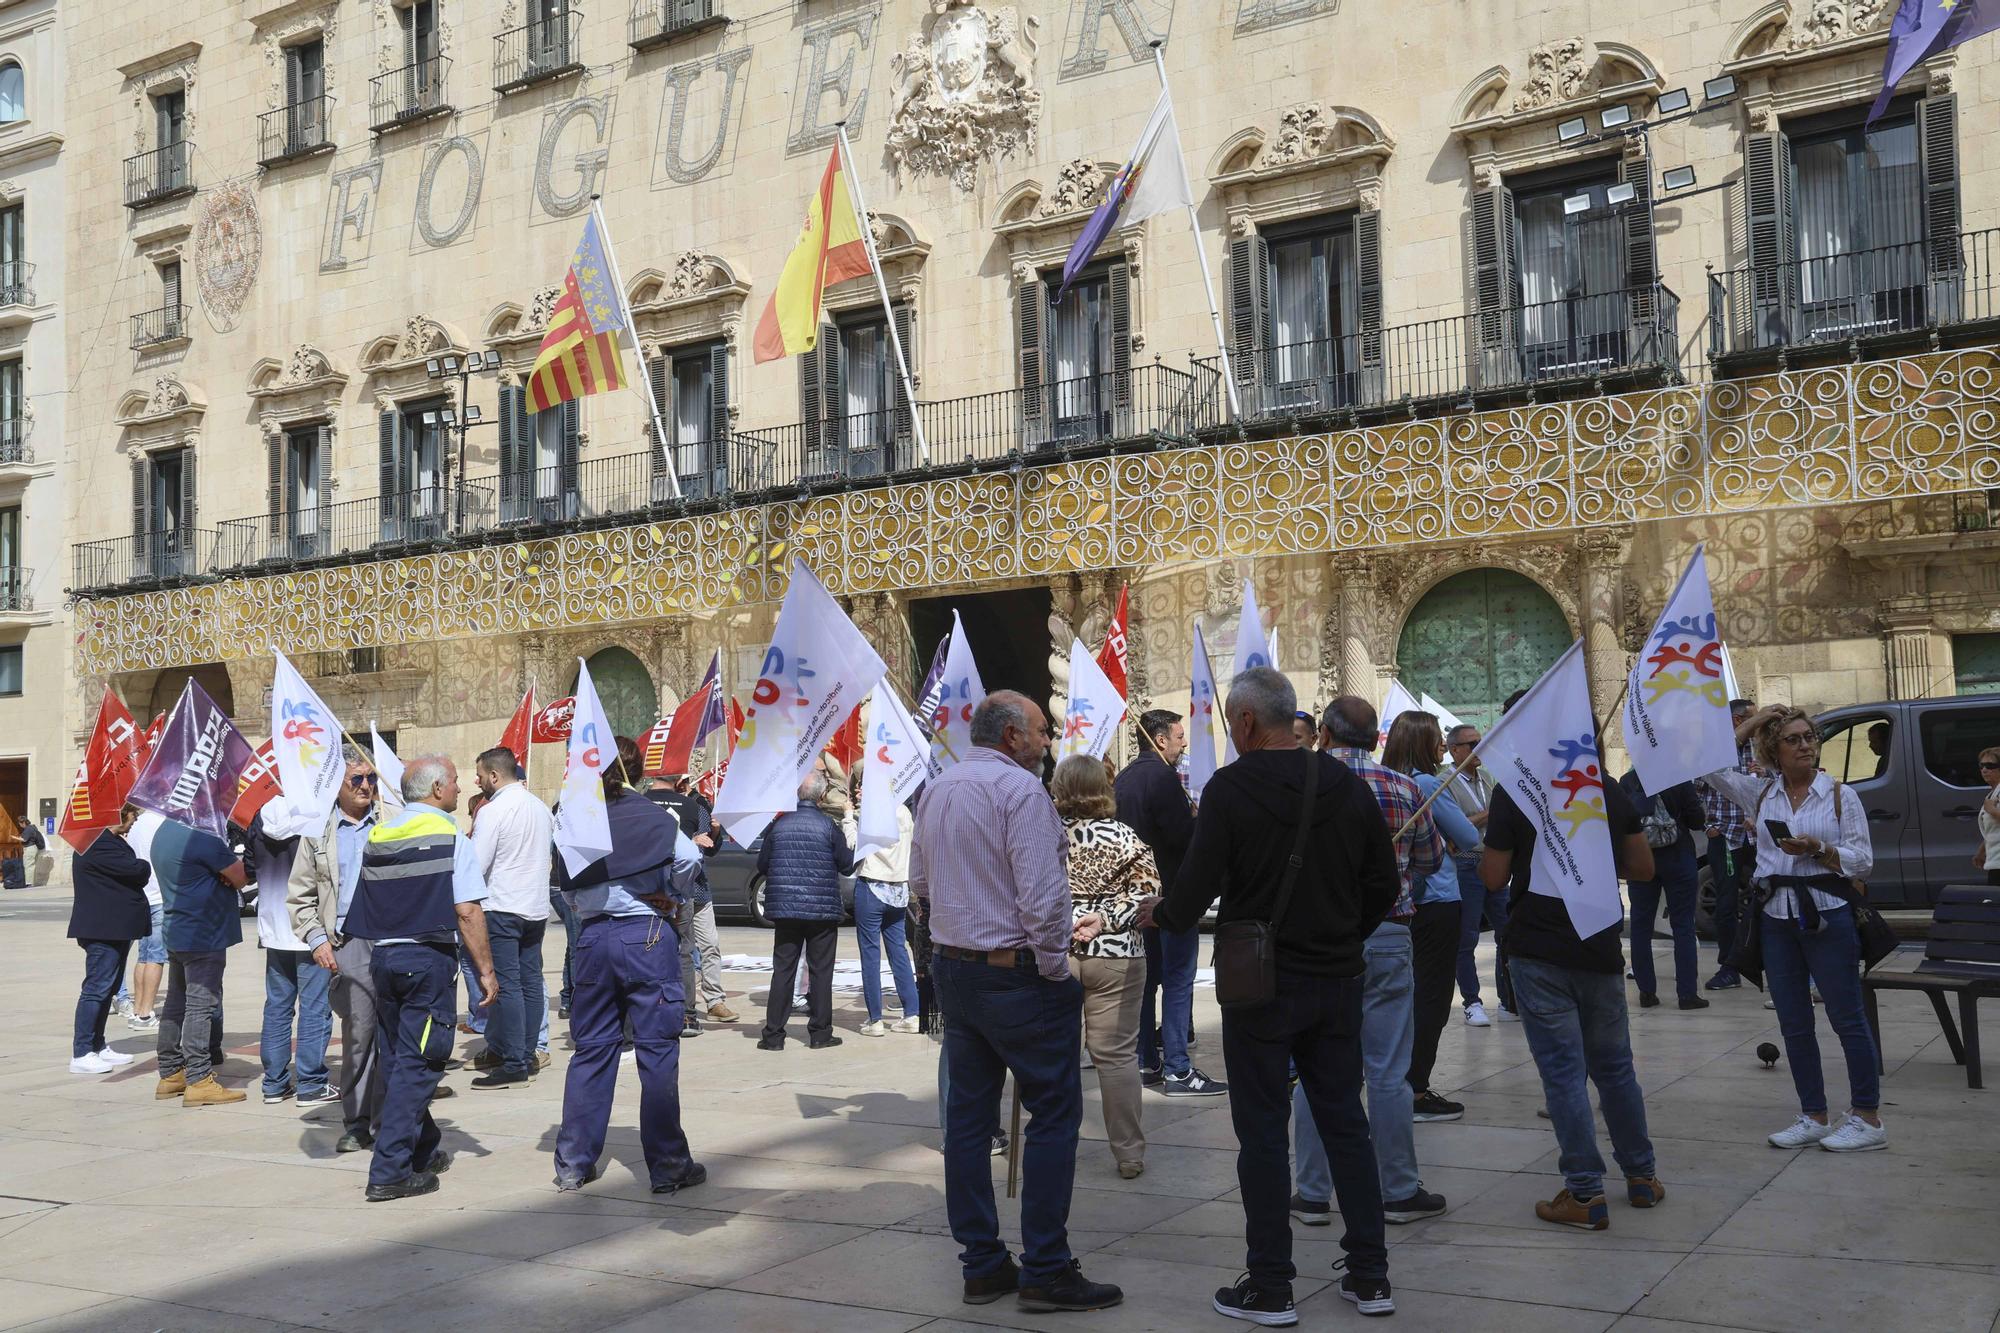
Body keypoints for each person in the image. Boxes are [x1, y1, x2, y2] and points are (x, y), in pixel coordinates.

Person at [1141, 668, 1401, 1322]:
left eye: (1232, 722)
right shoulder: (1347, 783)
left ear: (1248, 722)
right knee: (1346, 1120)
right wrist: (1342, 937)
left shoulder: (1230, 788)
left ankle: (1271, 1283)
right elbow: (1383, 883)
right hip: (1337, 980)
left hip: (1259, 985)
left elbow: (1196, 887)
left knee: (1261, 1130)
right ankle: (1370, 1274)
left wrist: (1163, 913)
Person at [912, 691, 1121, 1314]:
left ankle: (981, 1262)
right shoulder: (1022, 793)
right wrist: (1055, 971)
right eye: (1040, 730)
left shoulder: (940, 787)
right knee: (1054, 1116)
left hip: (957, 970)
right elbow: (1043, 898)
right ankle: (1046, 1268)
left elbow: (919, 884)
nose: (1048, 739)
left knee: (969, 1126)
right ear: (1010, 737)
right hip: (1016, 975)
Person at [1482, 694, 1664, 1230]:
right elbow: (1643, 868)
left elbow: (1493, 878)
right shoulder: (1606, 790)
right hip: (1599, 947)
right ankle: (1642, 1176)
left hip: (1538, 953)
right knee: (1615, 1070)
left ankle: (1584, 1192)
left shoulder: (1516, 792)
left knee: (1563, 1075)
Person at [1702, 705, 1883, 1153]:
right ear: (1773, 751)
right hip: (1776, 918)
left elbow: (1863, 860)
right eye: (1793, 739)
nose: (1805, 745)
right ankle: (1814, 1114)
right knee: (1793, 1022)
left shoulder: (1840, 795)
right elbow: (1708, 766)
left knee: (1847, 1018)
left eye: (1809, 737)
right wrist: (1755, 720)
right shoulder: (1762, 795)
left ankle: (1868, 1117)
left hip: (1828, 913)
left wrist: (1819, 849)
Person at [1296, 696, 1447, 1232]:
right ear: (1374, 737)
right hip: (1386, 932)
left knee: (1316, 1067)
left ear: (1326, 735)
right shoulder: (1403, 788)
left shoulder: (1304, 784)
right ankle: (1397, 1189)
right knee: (1387, 1071)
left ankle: (1311, 1192)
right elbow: (1431, 857)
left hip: (1318, 938)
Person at [553, 736, 708, 1195]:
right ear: (636, 772)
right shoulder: (650, 814)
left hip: (594, 935)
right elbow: (691, 855)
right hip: (646, 933)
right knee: (656, 1049)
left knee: (592, 1048)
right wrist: (671, 892)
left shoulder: (574, 819)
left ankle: (573, 1163)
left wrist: (587, 904)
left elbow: (563, 881)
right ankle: (667, 1165)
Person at [344, 755, 497, 1201]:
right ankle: (389, 1171)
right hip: (426, 961)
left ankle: (423, 1149)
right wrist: (486, 971)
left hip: (384, 961)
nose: (457, 787)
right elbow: (467, 910)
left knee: (396, 1061)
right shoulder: (449, 835)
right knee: (421, 1063)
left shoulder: (380, 834)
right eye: (452, 781)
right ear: (435, 790)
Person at [1052, 754, 1157, 1180]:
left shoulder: (1045, 835)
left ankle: (1055, 1146)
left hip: (1055, 951)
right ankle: (1129, 1153)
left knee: (1057, 1057)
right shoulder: (1127, 837)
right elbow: (1148, 895)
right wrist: (1108, 919)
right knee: (1116, 1058)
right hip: (1117, 955)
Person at [1114, 709, 1224, 1097]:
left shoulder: (1124, 777)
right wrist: (1196, 817)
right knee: (1177, 982)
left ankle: (1147, 1061)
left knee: (1145, 984)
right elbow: (1184, 837)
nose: (1183, 742)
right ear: (1159, 740)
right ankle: (1177, 1067)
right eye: (1178, 736)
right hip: (1170, 897)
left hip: (1136, 899)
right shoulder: (1161, 778)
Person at [1381, 710, 1482, 1120]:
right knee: (1433, 997)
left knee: (1407, 995)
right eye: (1436, 738)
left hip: (1402, 903)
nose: (1443, 745)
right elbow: (1470, 837)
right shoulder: (1426, 783)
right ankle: (1416, 1089)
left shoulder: (1386, 780)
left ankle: (1400, 1081)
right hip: (1437, 900)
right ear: (1419, 743)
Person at [288, 748, 385, 1153]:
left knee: (400, 1033)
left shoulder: (393, 822)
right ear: (338, 788)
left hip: (395, 940)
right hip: (350, 943)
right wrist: (317, 941)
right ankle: (359, 1120)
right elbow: (300, 895)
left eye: (371, 780)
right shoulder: (317, 834)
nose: (366, 787)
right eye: (357, 780)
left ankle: (394, 1117)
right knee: (360, 1034)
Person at [150, 809, 251, 1106]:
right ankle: (198, 1078)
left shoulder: (165, 831)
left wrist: (219, 874)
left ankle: (170, 1073)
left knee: (176, 1002)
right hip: (203, 931)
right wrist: (226, 873)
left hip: (177, 927)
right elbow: (241, 877)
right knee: (200, 1005)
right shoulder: (201, 835)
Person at [467, 747, 553, 1089]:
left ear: (494, 776)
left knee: (509, 985)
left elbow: (477, 863)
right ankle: (528, 1052)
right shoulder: (540, 807)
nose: (477, 781)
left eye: (479, 774)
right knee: (531, 982)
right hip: (534, 907)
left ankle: (515, 1062)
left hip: (503, 906)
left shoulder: (493, 810)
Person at [756, 772, 855, 1051]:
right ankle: (820, 1033)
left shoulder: (779, 825)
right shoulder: (828, 825)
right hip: (821, 911)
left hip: (786, 910)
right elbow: (847, 865)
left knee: (783, 970)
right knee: (821, 972)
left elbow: (763, 864)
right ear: (822, 796)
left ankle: (773, 1035)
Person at [248, 811, 337, 1108]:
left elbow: (249, 865)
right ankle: (311, 1082)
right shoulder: (314, 813)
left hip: (273, 924)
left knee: (277, 1007)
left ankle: (274, 1083)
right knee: (315, 1008)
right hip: (308, 926)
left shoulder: (261, 816)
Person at [646, 774, 736, 1027]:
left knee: (709, 945)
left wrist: (715, 831)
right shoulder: (653, 804)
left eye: (688, 783)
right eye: (682, 783)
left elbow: (711, 847)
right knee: (678, 950)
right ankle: (680, 1006)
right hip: (670, 890)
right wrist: (690, 841)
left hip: (698, 888)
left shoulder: (698, 806)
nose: (685, 787)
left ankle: (715, 1000)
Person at [68, 806, 152, 1074]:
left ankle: (98, 1045)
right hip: (103, 928)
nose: (134, 821)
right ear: (119, 815)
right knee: (96, 988)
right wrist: (144, 864)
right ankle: (82, 1052)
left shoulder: (109, 841)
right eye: (132, 816)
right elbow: (136, 870)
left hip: (115, 927)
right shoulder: (97, 843)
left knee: (108, 989)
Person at [1618, 770, 1709, 1011]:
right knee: (1683, 926)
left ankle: (1646, 991)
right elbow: (1696, 821)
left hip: (1642, 860)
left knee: (1640, 925)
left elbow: (1622, 822)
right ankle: (1687, 994)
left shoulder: (1628, 781)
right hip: (1679, 858)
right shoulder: (1677, 778)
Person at [843, 772, 922, 1036]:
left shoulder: (873, 813)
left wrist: (847, 818)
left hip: (872, 885)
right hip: (898, 888)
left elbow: (854, 845)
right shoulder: (905, 813)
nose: (859, 790)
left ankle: (875, 1020)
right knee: (898, 952)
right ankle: (912, 1013)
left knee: (870, 955)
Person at [1443, 723, 1510, 1025]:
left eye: (1480, 742)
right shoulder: (1444, 783)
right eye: (1471, 744)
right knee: (1467, 936)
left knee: (1507, 932)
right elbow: (1456, 827)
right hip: (1465, 865)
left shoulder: (1487, 779)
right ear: (1454, 750)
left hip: (1493, 861)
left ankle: (1509, 1000)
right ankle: (1472, 1001)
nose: (1478, 748)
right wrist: (1489, 813)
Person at [1698, 698, 1759, 989]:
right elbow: (1697, 785)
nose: (1760, 723)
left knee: (1767, 898)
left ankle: (1768, 963)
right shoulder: (1714, 749)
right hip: (1726, 836)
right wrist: (1708, 824)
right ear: (1738, 721)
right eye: (1753, 718)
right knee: (1725, 902)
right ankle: (1729, 967)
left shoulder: (1762, 748)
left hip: (1759, 836)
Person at [125, 809, 169, 1032]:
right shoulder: (163, 823)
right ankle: (145, 1013)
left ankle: (138, 1009)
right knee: (156, 956)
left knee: (144, 956)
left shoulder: (137, 822)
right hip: (160, 893)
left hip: (144, 894)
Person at [1975, 746, 2000, 887]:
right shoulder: (1993, 793)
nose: (1984, 770)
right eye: (1982, 765)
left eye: (1990, 766)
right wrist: (1981, 851)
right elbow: (1994, 830)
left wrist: (1991, 810)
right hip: (1995, 862)